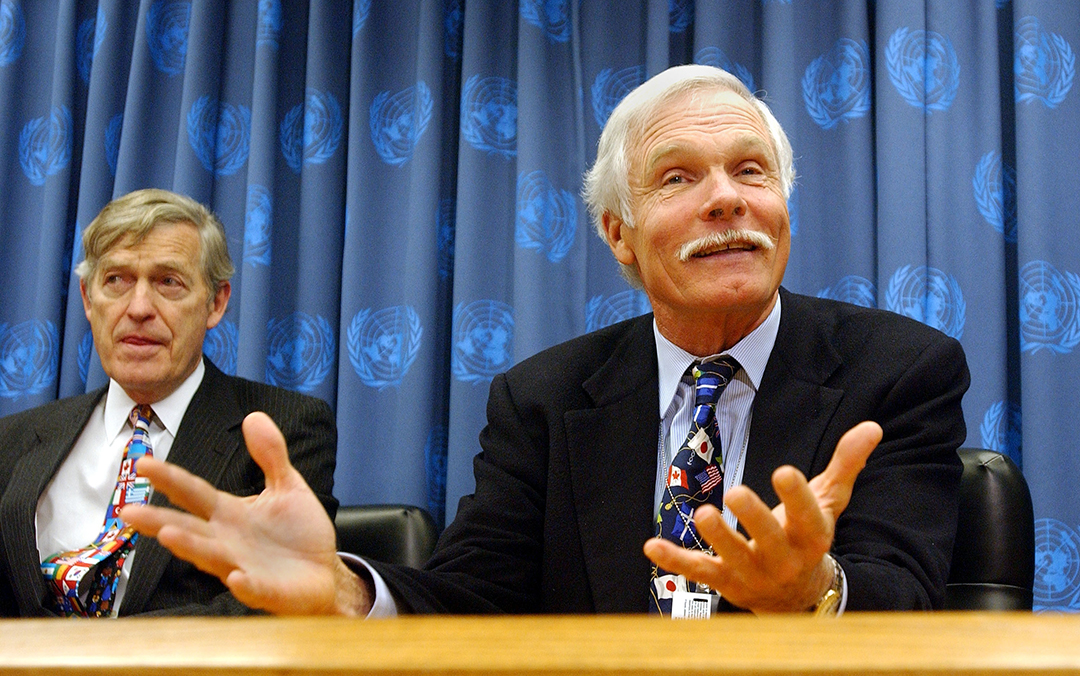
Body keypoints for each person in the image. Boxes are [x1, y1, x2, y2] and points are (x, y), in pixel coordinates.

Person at [123, 65, 968, 617]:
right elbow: (472, 599)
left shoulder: (899, 371)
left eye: (751, 170)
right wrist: (345, 590)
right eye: (678, 177)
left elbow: (907, 593)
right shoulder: (544, 398)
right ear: (618, 235)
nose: (726, 198)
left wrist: (814, 590)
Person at [0, 188, 337, 617]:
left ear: (215, 303)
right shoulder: (15, 439)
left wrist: (101, 650)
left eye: (168, 282)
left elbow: (280, 599)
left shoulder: (283, 428)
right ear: (87, 298)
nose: (139, 308)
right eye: (116, 280)